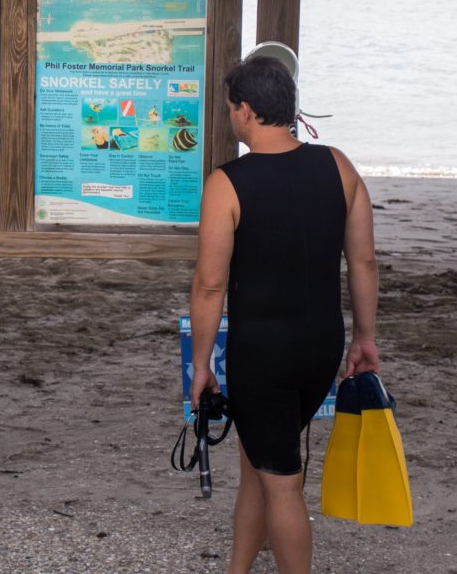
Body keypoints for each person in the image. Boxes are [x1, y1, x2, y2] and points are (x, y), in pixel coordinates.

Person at [188, 56, 380, 574]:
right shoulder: (339, 166)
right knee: (261, 461)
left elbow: (210, 286)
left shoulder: (226, 184)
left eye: (231, 108)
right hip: (321, 347)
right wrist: (365, 337)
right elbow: (362, 260)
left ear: (246, 111)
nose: (231, 116)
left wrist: (201, 363)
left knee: (282, 482)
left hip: (263, 355)